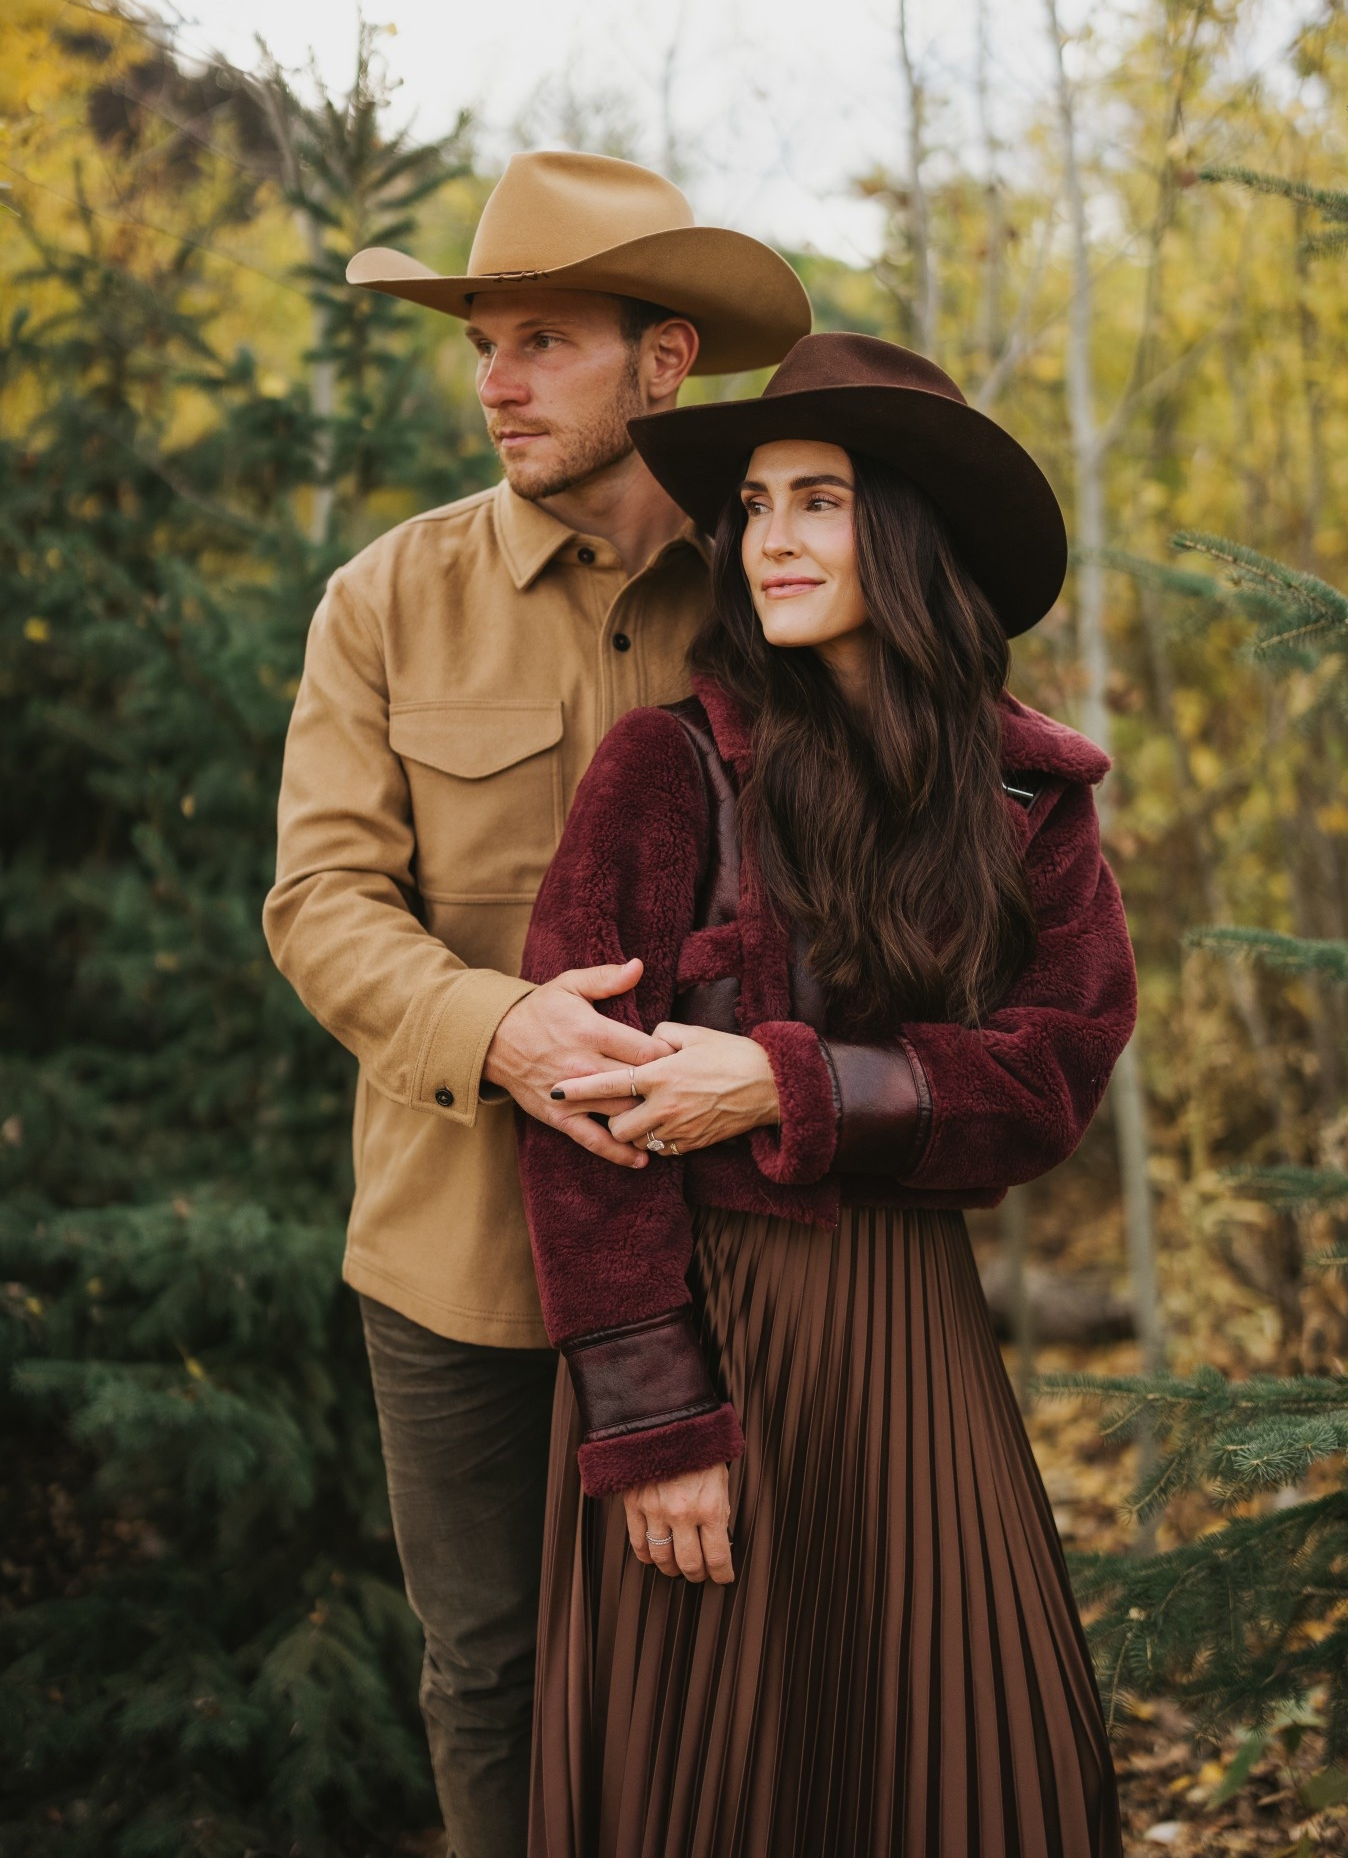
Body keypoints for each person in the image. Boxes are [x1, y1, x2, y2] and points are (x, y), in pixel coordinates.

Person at [516, 330, 1138, 1857]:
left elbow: (1049, 1074)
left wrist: (781, 1082)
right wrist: (655, 1423)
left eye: (820, 502)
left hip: (912, 1330)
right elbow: (580, 1131)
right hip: (704, 1329)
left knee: (981, 1760)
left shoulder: (1021, 795)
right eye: (753, 505)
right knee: (717, 1780)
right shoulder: (662, 771)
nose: (769, 540)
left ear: (907, 531)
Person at [261, 148, 810, 1858]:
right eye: (482, 342)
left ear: (663, 361)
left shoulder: (784, 594)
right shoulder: (385, 600)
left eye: (544, 342)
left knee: (754, 1659)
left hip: (753, 1243)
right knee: (487, 1671)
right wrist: (489, 1027)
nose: (494, 384)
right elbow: (320, 901)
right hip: (460, 1256)